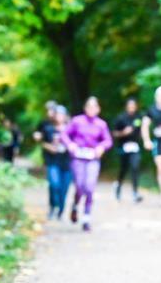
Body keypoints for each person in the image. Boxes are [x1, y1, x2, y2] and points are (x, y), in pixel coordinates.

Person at [61, 96, 113, 232]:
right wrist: (70, 144)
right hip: (78, 157)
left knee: (89, 187)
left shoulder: (101, 124)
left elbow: (108, 140)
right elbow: (64, 135)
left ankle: (86, 218)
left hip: (93, 158)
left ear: (98, 109)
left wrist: (101, 147)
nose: (92, 109)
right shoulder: (77, 121)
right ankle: (75, 205)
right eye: (89, 106)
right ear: (85, 108)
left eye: (94, 107)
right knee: (80, 185)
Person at [112, 98, 146, 203]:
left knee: (135, 167)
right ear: (126, 106)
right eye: (129, 106)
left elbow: (142, 130)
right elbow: (114, 133)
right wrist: (123, 133)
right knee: (123, 169)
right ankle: (118, 185)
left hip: (135, 147)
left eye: (133, 106)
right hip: (123, 147)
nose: (131, 108)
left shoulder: (139, 117)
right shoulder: (120, 118)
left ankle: (135, 192)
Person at [41, 105, 71, 220]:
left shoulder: (70, 130)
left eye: (62, 114)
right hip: (53, 161)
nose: (59, 117)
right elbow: (43, 142)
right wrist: (50, 147)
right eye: (58, 114)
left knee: (64, 188)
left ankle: (61, 211)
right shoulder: (48, 129)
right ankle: (53, 206)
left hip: (67, 162)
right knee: (54, 185)